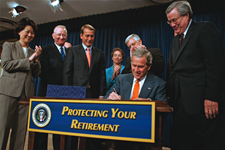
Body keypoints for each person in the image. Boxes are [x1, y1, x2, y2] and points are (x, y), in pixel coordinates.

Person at [166, 1, 225, 150]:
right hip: (180, 104)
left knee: (206, 143)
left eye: (174, 20)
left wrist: (212, 97)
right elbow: (173, 70)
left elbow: (215, 66)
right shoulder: (175, 41)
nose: (172, 24)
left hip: (203, 102)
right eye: (169, 22)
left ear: (186, 16)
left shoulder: (204, 29)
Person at [104, 49, 167, 150]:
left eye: (140, 67)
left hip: (145, 134)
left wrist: (149, 104)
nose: (136, 70)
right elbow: (106, 97)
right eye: (134, 65)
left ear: (149, 66)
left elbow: (164, 110)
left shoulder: (159, 83)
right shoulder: (121, 79)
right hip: (122, 132)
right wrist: (110, 97)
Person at [63, 24, 106, 150]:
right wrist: (67, 93)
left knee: (91, 127)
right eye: (87, 35)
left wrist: (101, 94)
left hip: (93, 94)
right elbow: (67, 73)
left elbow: (102, 75)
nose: (89, 38)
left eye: (92, 36)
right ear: (81, 36)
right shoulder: (72, 51)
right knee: (73, 126)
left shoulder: (100, 53)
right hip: (75, 94)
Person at [0, 17, 41, 150]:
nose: (30, 35)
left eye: (32, 33)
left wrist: (36, 60)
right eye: (27, 31)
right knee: (3, 128)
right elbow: (6, 65)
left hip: (26, 95)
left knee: (20, 131)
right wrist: (28, 60)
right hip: (8, 92)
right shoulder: (8, 45)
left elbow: (36, 73)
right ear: (19, 31)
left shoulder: (32, 52)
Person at [33, 25, 68, 150]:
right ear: (53, 36)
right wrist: (58, 87)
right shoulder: (46, 50)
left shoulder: (69, 52)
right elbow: (43, 72)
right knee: (43, 127)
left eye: (63, 35)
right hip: (47, 93)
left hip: (64, 96)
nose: (61, 37)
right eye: (58, 34)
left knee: (59, 127)